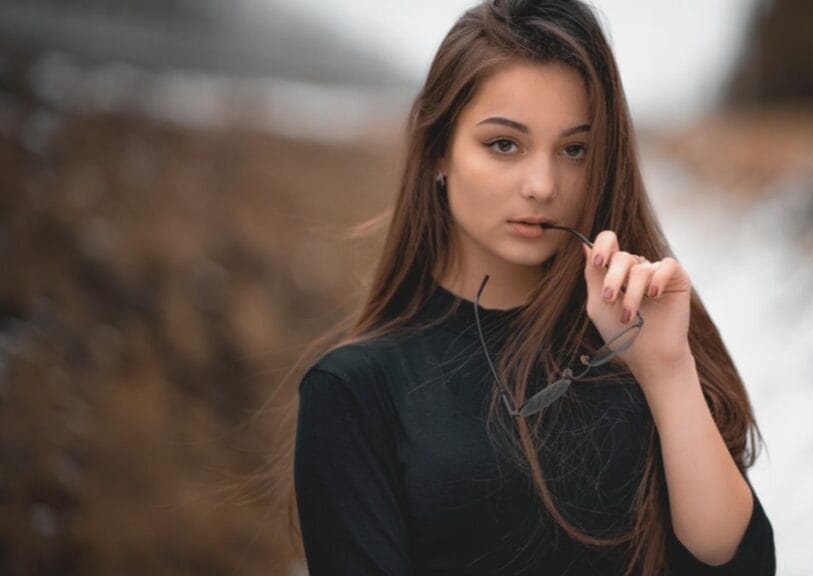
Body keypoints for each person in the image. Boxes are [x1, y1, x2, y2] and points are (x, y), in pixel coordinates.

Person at [291, 0, 776, 574]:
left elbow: (738, 563)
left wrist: (665, 369)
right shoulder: (355, 392)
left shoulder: (639, 329)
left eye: (575, 150)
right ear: (438, 150)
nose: (543, 185)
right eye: (504, 144)